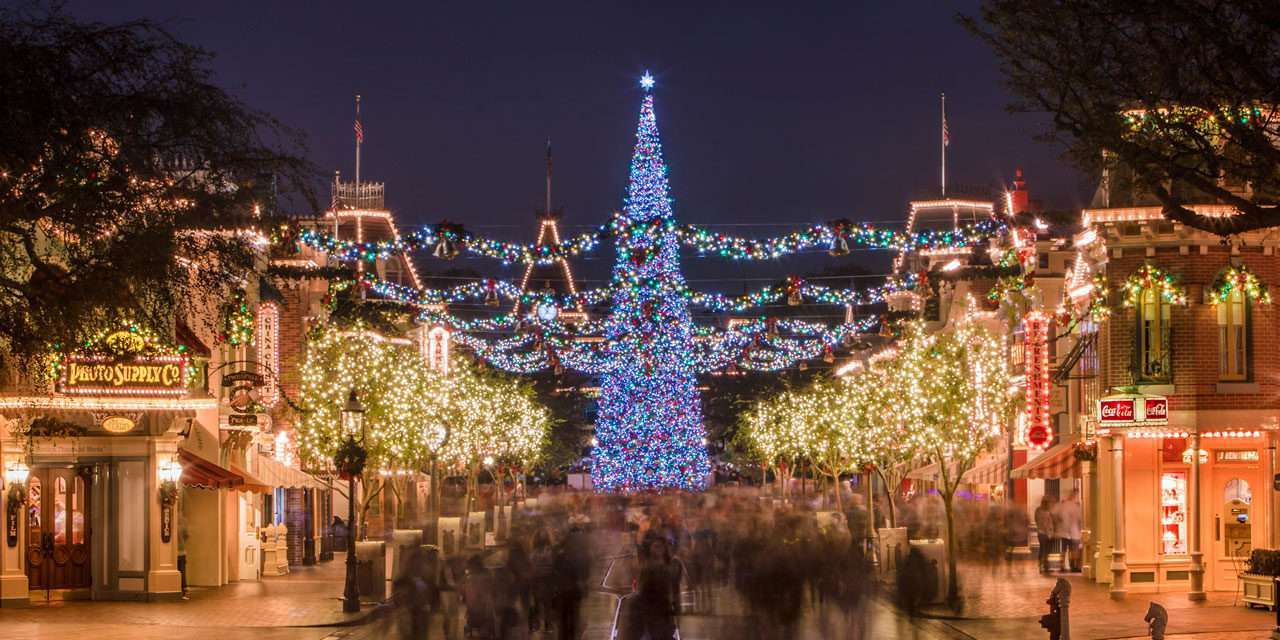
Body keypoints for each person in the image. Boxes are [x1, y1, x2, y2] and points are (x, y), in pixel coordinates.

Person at [1055, 490, 1084, 572]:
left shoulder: (1063, 505)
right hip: (1074, 532)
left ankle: (1062, 566)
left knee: (1063, 549)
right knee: (1074, 550)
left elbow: (1055, 514)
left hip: (1064, 531)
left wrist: (1058, 523)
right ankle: (1073, 565)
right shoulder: (1076, 507)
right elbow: (1080, 519)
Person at [1035, 496, 1056, 573]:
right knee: (1046, 550)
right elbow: (1048, 524)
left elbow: (1036, 520)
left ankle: (1041, 565)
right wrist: (1050, 533)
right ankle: (1045, 566)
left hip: (1040, 533)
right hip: (1046, 534)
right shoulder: (1048, 512)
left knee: (1042, 549)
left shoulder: (1038, 510)